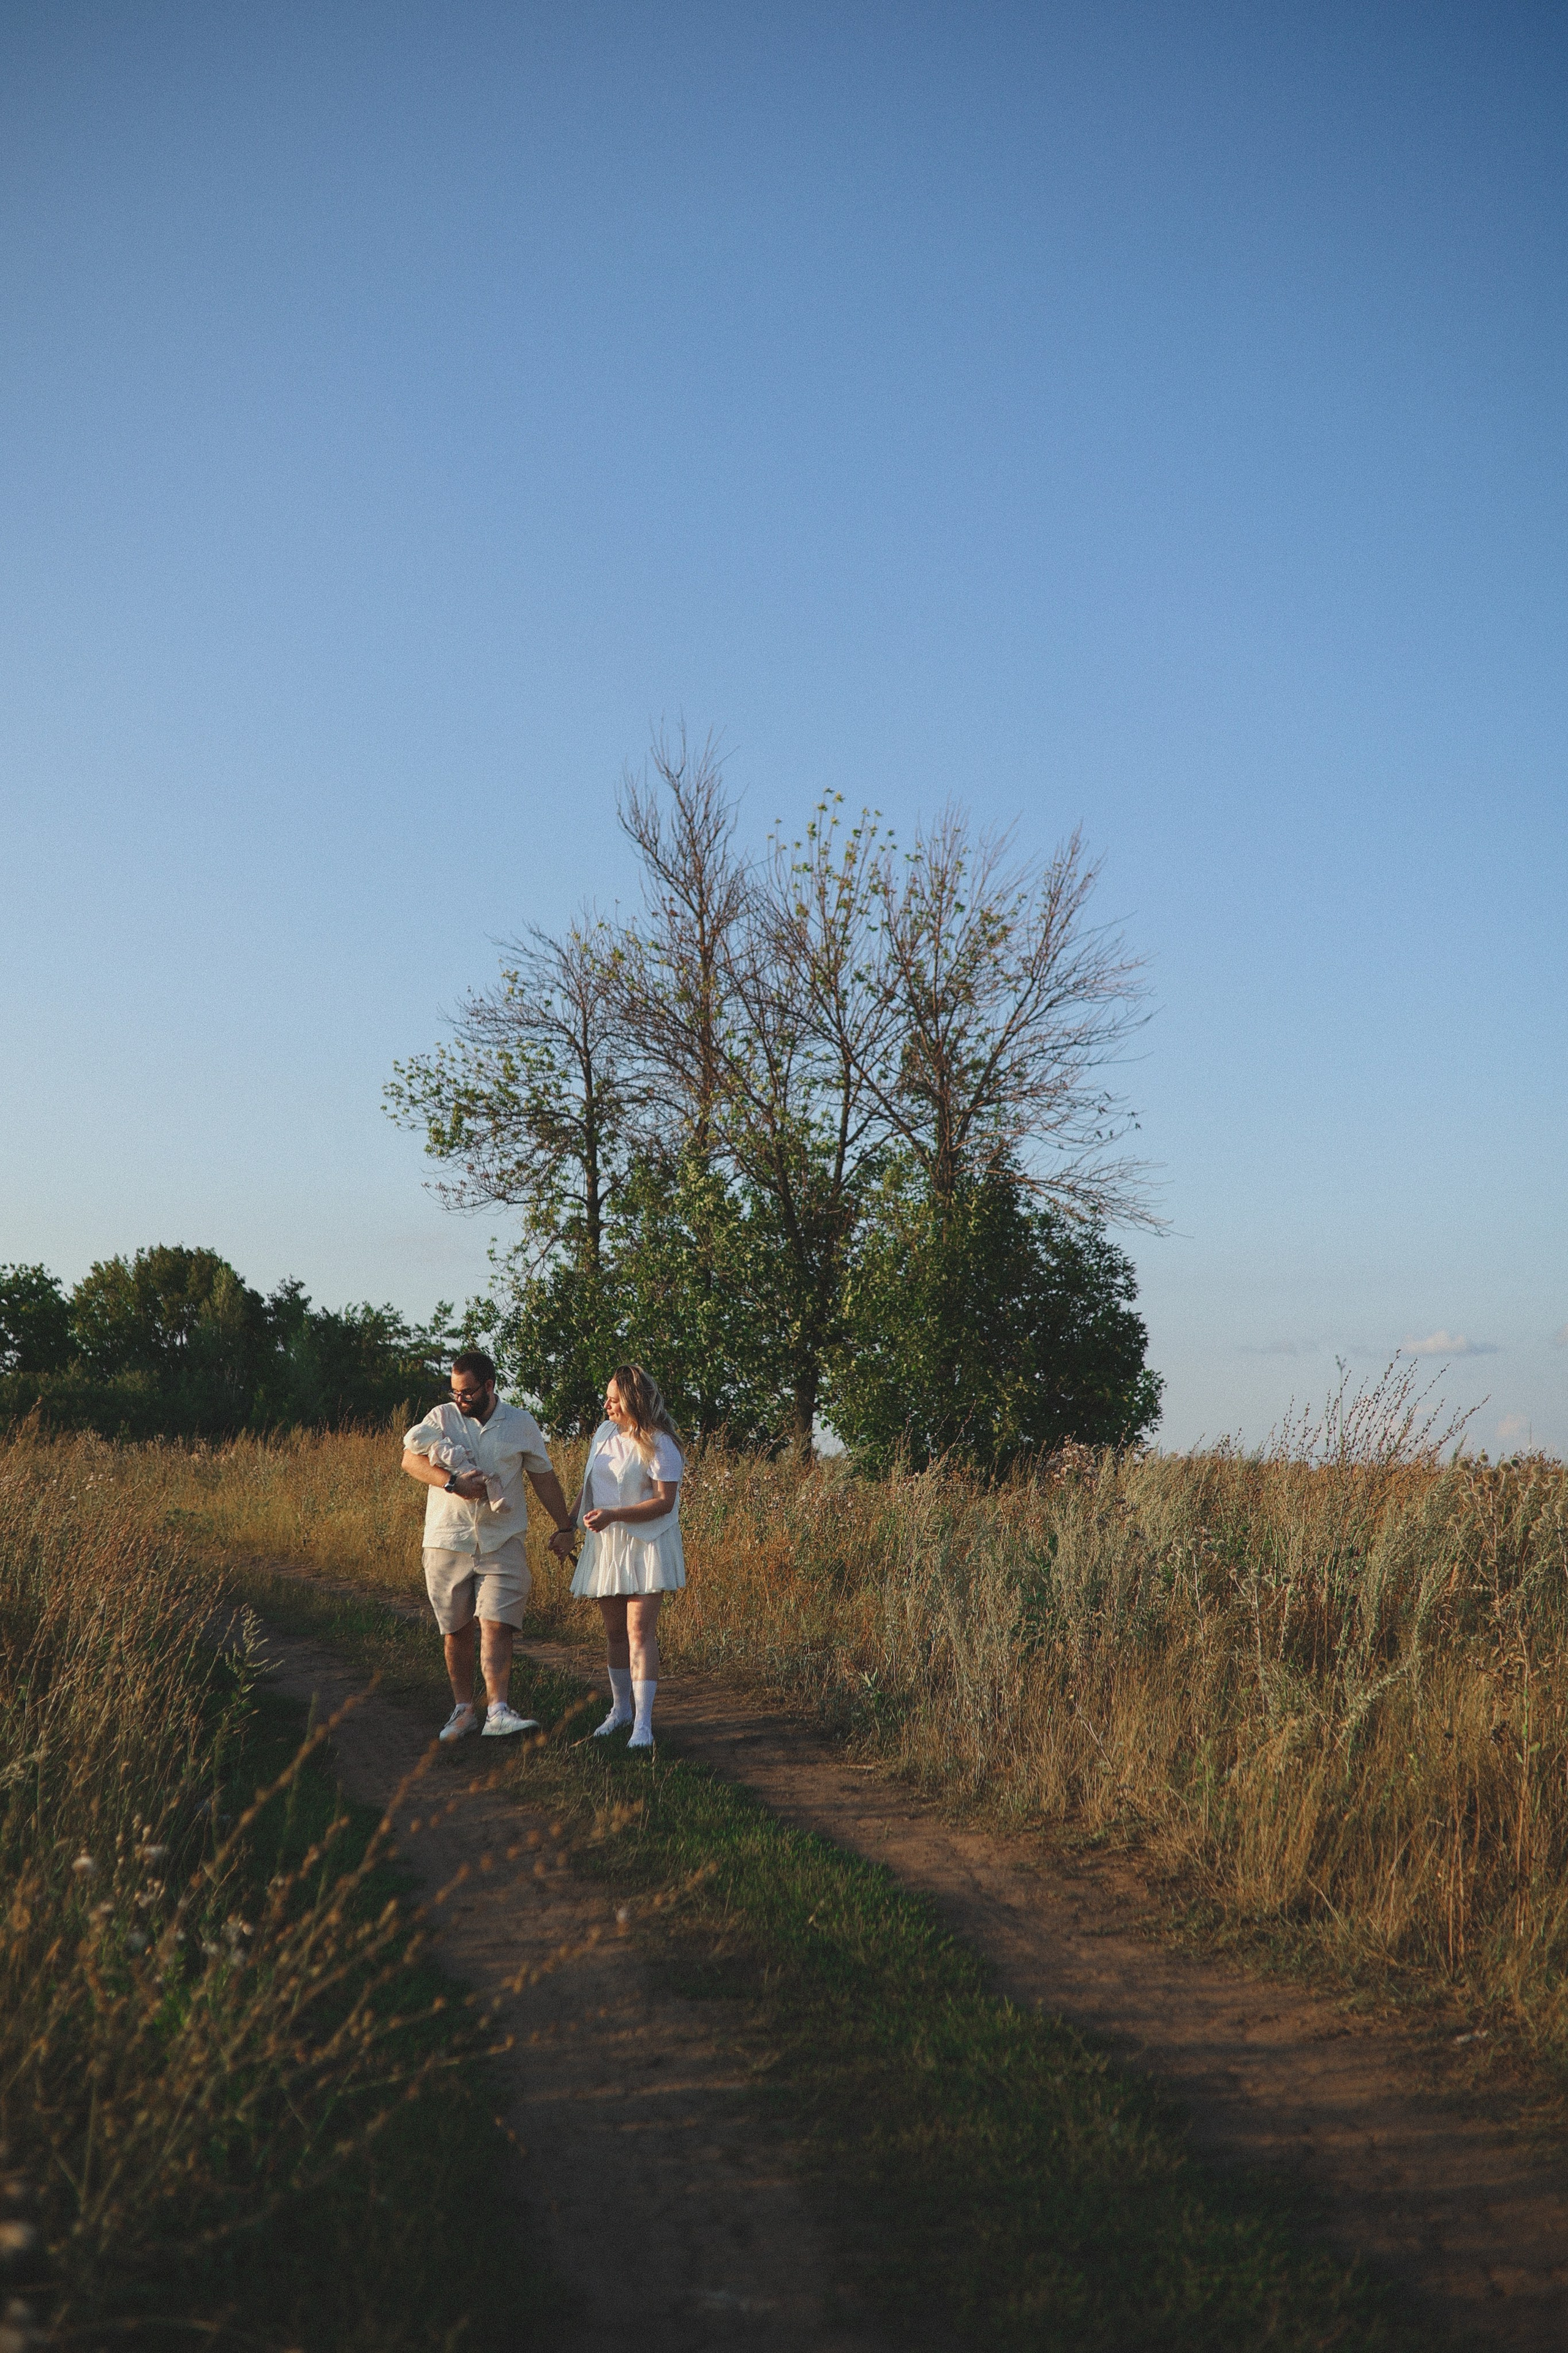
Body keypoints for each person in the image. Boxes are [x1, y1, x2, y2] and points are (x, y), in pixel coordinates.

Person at [403, 1350, 575, 1743]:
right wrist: (452, 1483)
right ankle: (464, 1710)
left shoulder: (520, 1423)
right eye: (454, 1391)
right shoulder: (441, 1417)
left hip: (503, 1539)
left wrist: (565, 1526)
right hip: (448, 1541)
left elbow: (543, 1478)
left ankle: (498, 1710)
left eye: (467, 1393)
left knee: (497, 1623)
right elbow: (410, 1462)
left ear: (490, 1386)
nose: (459, 1399)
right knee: (456, 1630)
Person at [549, 1363, 684, 1750]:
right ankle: (620, 1710)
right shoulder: (605, 1432)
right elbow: (589, 1484)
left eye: (614, 1400)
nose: (606, 1406)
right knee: (614, 1634)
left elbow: (664, 1502)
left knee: (639, 1632)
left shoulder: (662, 1443)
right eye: (607, 1399)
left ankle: (644, 1726)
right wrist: (569, 1526)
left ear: (634, 1402)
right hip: (606, 1545)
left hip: (647, 1544)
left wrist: (614, 1516)